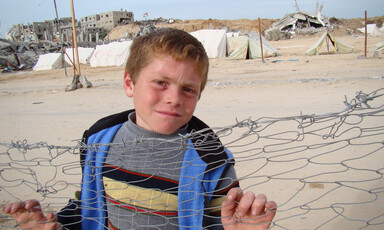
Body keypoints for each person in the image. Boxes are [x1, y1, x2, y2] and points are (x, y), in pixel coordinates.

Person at [3, 28, 276, 230]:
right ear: (129, 84)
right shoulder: (99, 142)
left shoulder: (211, 158)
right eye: (160, 82)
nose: (174, 98)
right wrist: (55, 225)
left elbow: (221, 220)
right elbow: (90, 203)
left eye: (188, 89)